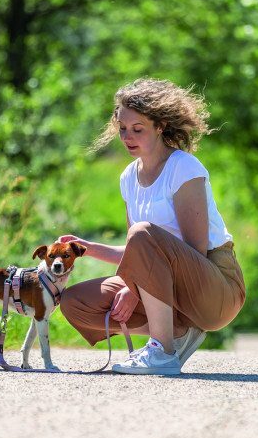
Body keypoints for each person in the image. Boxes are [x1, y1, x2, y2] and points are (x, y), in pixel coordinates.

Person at [58, 78, 245, 375]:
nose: (127, 136)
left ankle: (162, 351)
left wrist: (134, 288)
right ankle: (178, 332)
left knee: (141, 233)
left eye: (137, 129)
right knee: (75, 302)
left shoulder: (183, 167)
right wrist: (91, 249)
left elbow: (195, 249)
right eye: (122, 128)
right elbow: (139, 251)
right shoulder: (127, 177)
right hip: (171, 290)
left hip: (215, 288)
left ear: (160, 126)